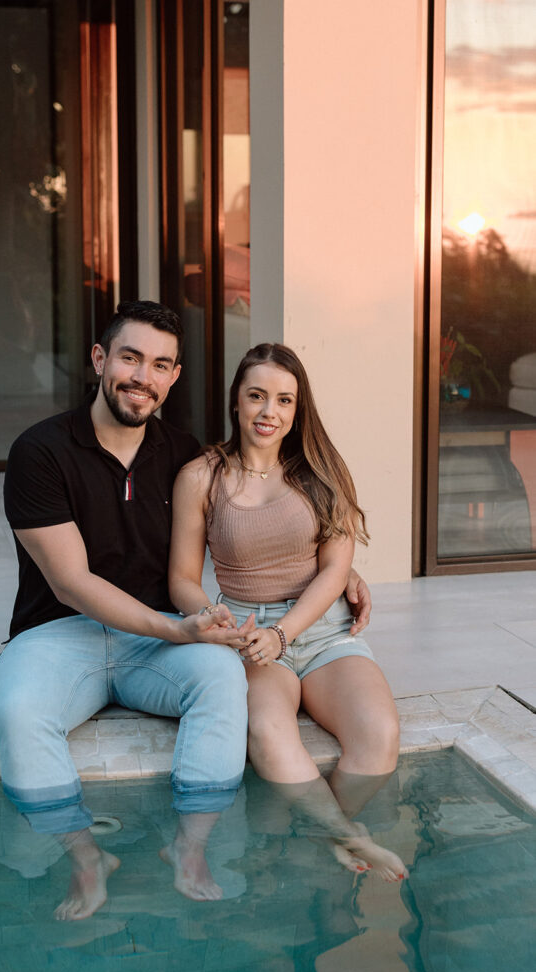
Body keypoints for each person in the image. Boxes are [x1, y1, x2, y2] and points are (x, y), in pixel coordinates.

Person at [0, 303, 373, 920]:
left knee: (224, 683)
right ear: (99, 360)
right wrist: (176, 627)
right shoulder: (39, 452)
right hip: (61, 633)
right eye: (130, 358)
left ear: (173, 378)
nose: (142, 376)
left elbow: (253, 520)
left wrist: (339, 568)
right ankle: (85, 855)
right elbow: (71, 583)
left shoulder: (186, 457)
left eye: (159, 365)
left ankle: (191, 846)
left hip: (158, 645)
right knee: (17, 711)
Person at [168, 343, 408, 880]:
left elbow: (334, 571)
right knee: (270, 736)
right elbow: (182, 579)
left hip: (323, 631)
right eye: (256, 396)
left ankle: (322, 837)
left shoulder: (322, 471)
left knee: (380, 734)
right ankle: (346, 838)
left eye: (283, 400)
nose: (268, 412)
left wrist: (285, 633)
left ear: (298, 409)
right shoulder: (201, 477)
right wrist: (212, 616)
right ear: (236, 401)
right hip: (249, 636)